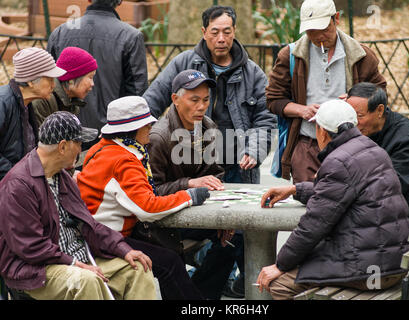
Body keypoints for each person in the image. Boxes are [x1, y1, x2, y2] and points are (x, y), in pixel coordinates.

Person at [257, 100, 409, 300]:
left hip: (369, 271)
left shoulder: (338, 162)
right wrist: (296, 189)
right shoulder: (373, 149)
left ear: (322, 132)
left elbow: (313, 225)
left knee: (279, 285)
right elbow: (343, 191)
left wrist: (279, 265)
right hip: (396, 262)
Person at [0, 111, 156, 300]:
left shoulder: (62, 176)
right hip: (36, 270)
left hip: (78, 259)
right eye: (79, 143)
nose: (81, 149)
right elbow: (30, 247)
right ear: (63, 147)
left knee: (138, 267)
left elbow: (89, 224)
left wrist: (124, 249)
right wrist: (74, 263)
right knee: (87, 280)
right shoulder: (18, 185)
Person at [76, 96, 208, 300]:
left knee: (169, 248)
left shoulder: (102, 148)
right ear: (132, 129)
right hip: (107, 237)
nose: (150, 127)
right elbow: (147, 208)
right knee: (169, 262)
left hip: (98, 231)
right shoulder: (123, 160)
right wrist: (188, 196)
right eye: (146, 124)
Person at [143, 5, 276, 184]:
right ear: (204, 32)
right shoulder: (184, 63)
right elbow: (152, 100)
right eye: (215, 32)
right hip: (192, 163)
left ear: (234, 31)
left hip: (239, 164)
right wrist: (140, 137)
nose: (221, 39)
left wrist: (254, 150)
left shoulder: (253, 74)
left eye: (227, 32)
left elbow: (265, 118)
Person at [148, 70, 245, 300]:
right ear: (175, 100)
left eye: (206, 100)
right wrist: (189, 183)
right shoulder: (158, 137)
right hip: (164, 218)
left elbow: (215, 174)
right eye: (194, 100)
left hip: (196, 210)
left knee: (236, 234)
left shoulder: (208, 127)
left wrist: (222, 217)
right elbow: (152, 192)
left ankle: (200, 295)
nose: (201, 107)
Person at [266, 0, 386, 183]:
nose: (318, 37)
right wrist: (302, 110)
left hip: (351, 147)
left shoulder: (361, 56)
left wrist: (355, 100)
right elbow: (273, 99)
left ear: (336, 19)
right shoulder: (290, 56)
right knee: (308, 203)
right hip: (308, 145)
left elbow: (380, 96)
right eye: (311, 31)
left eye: (324, 29)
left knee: (346, 203)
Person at [47, 0, 148, 148]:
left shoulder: (60, 33)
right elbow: (137, 96)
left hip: (64, 138)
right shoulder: (131, 37)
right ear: (119, 1)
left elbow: (48, 85)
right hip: (112, 138)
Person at [345, 82, 409, 225]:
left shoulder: (407, 140)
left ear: (379, 110)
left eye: (359, 115)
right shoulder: (366, 129)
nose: (353, 122)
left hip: (407, 217)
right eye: (349, 115)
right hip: (388, 211)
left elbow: (388, 189)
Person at [0, 47, 66, 180]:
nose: (54, 85)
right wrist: (18, 177)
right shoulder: (3, 103)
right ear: (30, 81)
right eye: (49, 79)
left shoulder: (26, 103)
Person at [33, 47, 98, 127]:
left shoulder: (73, 101)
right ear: (71, 80)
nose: (92, 84)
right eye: (90, 77)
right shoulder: (43, 99)